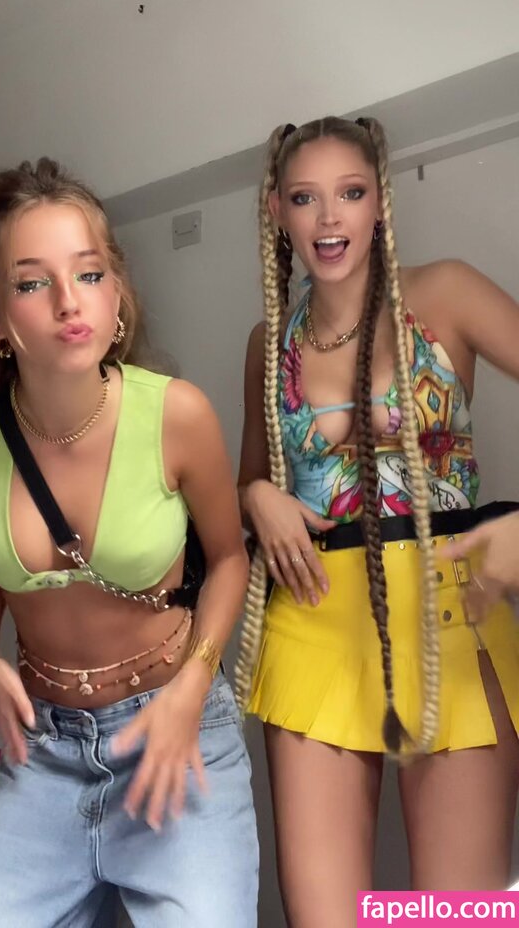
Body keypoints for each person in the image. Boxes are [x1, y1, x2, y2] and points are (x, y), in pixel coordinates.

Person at [0, 158, 258, 928]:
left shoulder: (177, 414)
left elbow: (230, 560)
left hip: (175, 731)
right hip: (44, 754)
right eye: (33, 282)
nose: (70, 301)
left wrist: (191, 691)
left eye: (90, 273)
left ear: (117, 291)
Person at [234, 116, 519, 926]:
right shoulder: (268, 343)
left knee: (459, 917)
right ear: (277, 211)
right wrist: (256, 498)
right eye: (305, 198)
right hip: (312, 617)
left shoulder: (446, 293)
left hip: (449, 613)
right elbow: (251, 478)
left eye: (350, 193)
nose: (329, 218)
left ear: (381, 202)